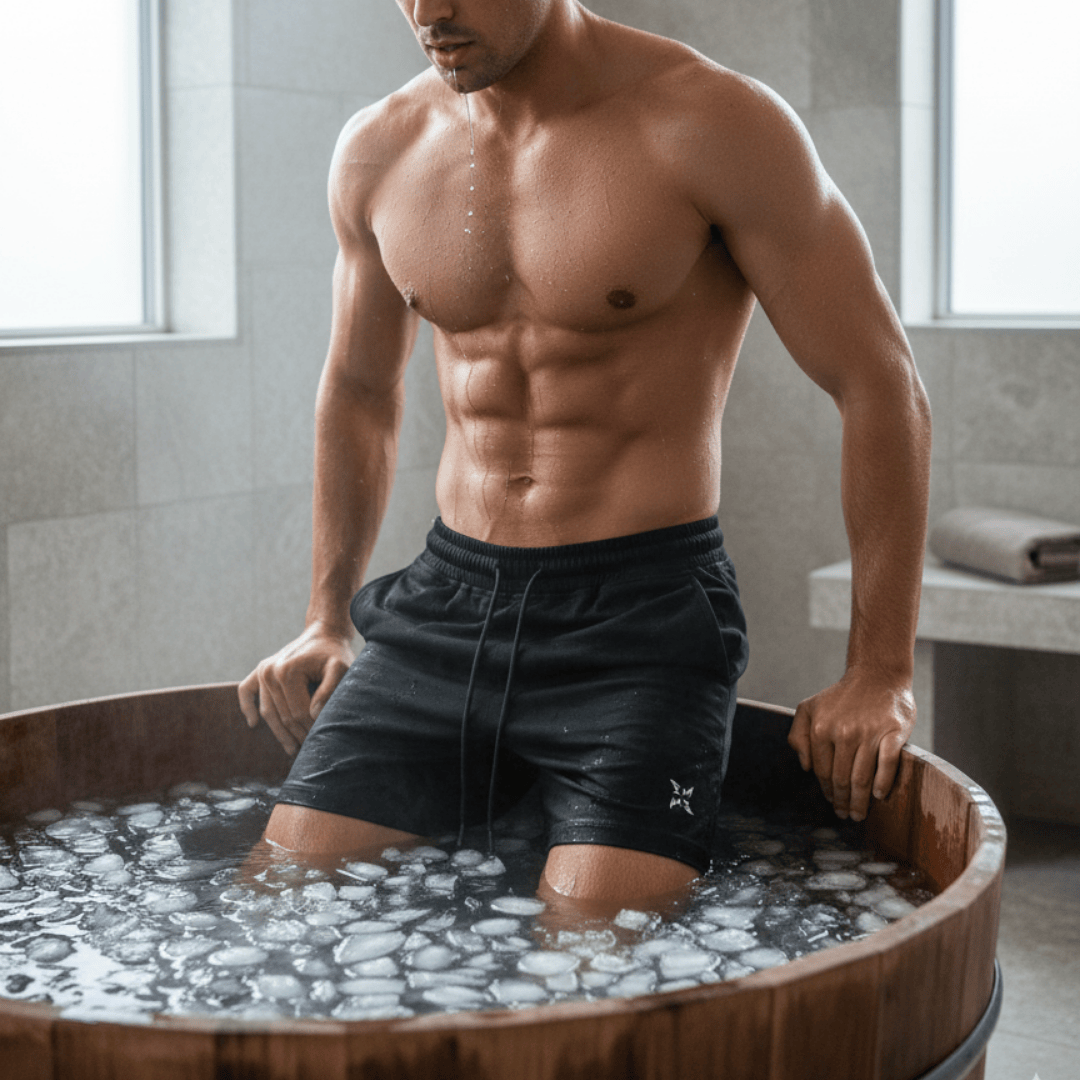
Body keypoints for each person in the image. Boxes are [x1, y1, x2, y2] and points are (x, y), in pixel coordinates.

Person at [238, 0, 931, 904]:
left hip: (641, 623)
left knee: (597, 952)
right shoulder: (382, 146)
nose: (426, 11)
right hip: (447, 607)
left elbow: (881, 385)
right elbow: (361, 392)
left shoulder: (714, 123)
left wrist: (878, 672)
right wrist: (327, 614)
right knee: (281, 901)